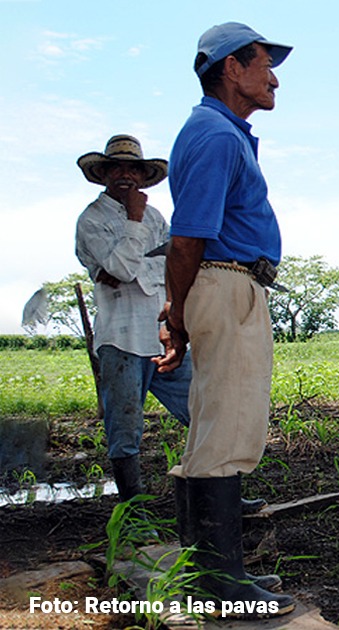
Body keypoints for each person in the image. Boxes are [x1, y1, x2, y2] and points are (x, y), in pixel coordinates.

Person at [155, 22, 294, 618]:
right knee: (229, 427)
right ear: (230, 68)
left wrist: (182, 310)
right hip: (226, 282)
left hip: (222, 283)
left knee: (212, 421)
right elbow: (187, 237)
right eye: (264, 62)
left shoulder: (217, 132)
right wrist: (180, 315)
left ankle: (207, 566)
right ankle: (219, 583)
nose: (274, 76)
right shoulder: (215, 134)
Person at [74, 135, 194, 504]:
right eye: (117, 168)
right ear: (105, 174)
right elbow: (126, 270)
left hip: (160, 336)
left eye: (133, 169)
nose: (126, 175)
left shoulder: (158, 218)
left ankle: (214, 496)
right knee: (125, 428)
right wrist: (135, 222)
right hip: (121, 338)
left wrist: (121, 267)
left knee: (202, 409)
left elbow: (169, 265)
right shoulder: (93, 220)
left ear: (143, 176)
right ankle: (134, 516)